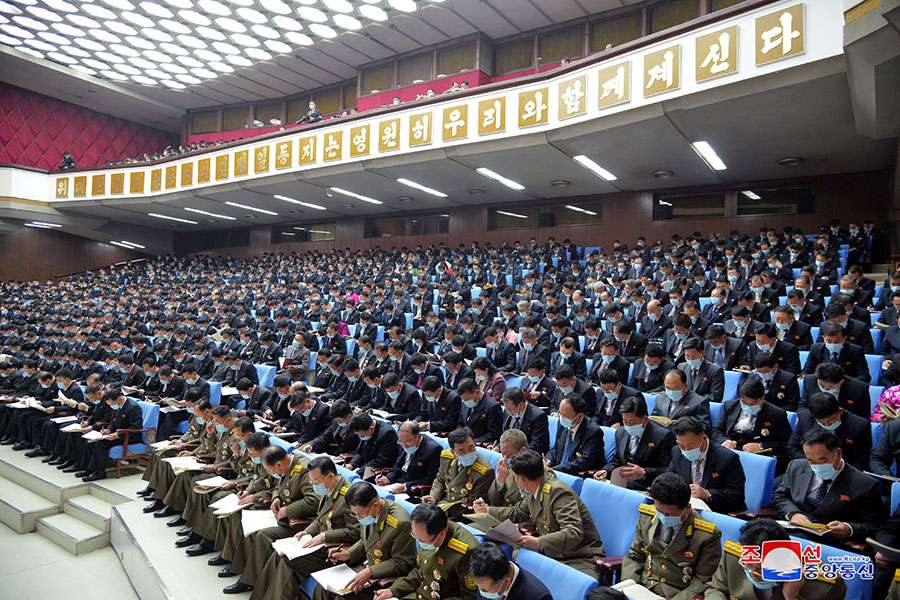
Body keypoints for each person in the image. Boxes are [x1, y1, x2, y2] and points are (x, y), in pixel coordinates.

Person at [473, 449, 604, 579]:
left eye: (514, 477)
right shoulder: (534, 490)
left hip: (580, 558)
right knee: (511, 561)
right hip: (553, 554)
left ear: (521, 479)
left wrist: (538, 542)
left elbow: (573, 532)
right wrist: (487, 510)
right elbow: (516, 512)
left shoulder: (558, 492)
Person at [249, 456, 359, 600]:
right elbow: (320, 519)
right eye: (312, 482)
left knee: (289, 561)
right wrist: (306, 531)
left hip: (335, 549)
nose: (314, 485)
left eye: (316, 482)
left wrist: (324, 536)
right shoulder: (329, 488)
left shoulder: (349, 497)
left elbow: (355, 532)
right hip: (319, 543)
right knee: (280, 555)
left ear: (331, 477)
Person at [222, 445, 319, 594]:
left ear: (278, 465)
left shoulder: (304, 470)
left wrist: (288, 510)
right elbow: (278, 486)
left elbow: (313, 500)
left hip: (299, 522)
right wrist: (276, 498)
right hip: (281, 515)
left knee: (264, 535)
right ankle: (239, 567)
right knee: (248, 522)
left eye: (269, 470)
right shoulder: (285, 466)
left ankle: (248, 581)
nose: (270, 474)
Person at [621, 472, 722, 598]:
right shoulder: (647, 516)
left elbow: (703, 580)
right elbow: (635, 555)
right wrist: (629, 588)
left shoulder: (706, 535)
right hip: (644, 585)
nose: (663, 516)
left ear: (687, 508)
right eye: (659, 511)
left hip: (677, 593)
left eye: (668, 514)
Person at [773, 429, 883, 545]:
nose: (817, 466)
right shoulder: (796, 466)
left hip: (832, 542)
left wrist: (849, 528)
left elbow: (874, 524)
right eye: (811, 461)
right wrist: (793, 513)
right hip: (793, 532)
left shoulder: (865, 484)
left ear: (838, 453)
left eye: (823, 460)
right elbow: (780, 496)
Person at [313, 481, 416, 600]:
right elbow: (365, 541)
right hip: (365, 567)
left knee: (340, 597)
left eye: (360, 515)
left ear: (375, 505)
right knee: (323, 586)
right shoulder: (368, 512)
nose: (358, 518)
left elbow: (402, 562)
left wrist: (370, 571)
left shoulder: (400, 523)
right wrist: (348, 553)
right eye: (355, 514)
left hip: (381, 577)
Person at [704, 518, 846, 600]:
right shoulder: (733, 555)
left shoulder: (826, 585)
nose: (753, 574)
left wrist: (791, 597)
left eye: (760, 569)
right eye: (748, 564)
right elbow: (716, 588)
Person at [374, 503, 479, 600]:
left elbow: (468, 597)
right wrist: (393, 590)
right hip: (418, 594)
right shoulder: (425, 531)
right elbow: (420, 572)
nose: (418, 542)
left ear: (441, 534)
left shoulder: (466, 552)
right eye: (414, 536)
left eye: (422, 540)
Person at [666, 417, 746, 514]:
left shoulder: (727, 458)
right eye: (681, 445)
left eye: (690, 446)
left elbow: (737, 497)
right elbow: (669, 480)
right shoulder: (677, 451)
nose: (685, 450)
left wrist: (708, 494)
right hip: (686, 509)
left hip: (716, 512)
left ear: (703, 438)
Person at [712, 378, 791, 469]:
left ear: (762, 398)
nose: (748, 406)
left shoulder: (777, 414)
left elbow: (787, 444)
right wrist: (724, 441)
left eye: (753, 403)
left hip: (757, 456)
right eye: (744, 402)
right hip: (730, 451)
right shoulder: (729, 406)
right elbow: (716, 430)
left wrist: (762, 446)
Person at [600, 395, 675, 491]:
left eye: (632, 422)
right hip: (623, 483)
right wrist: (605, 470)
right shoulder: (621, 432)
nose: (628, 426)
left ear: (645, 419)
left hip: (647, 485)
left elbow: (667, 470)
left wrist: (644, 472)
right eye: (625, 422)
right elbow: (617, 460)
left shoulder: (663, 436)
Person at [787, 391, 871, 470]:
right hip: (808, 468)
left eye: (831, 420)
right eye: (821, 422)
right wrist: (813, 463)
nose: (827, 425)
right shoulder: (805, 417)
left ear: (840, 411)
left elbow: (860, 461)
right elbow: (792, 447)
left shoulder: (859, 426)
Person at [422, 426, 494, 518]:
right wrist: (433, 497)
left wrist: (440, 509)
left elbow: (473, 501)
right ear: (453, 452)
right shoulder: (447, 457)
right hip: (442, 503)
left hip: (461, 512)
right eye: (461, 450)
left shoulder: (484, 470)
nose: (468, 452)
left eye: (471, 447)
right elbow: (440, 480)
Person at [80, 387, 143, 481]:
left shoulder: (133, 407)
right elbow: (113, 420)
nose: (111, 406)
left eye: (111, 403)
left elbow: (136, 427)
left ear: (120, 399)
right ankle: (91, 469)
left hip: (129, 436)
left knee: (101, 443)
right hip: (117, 432)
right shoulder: (117, 404)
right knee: (91, 442)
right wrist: (108, 429)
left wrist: (117, 435)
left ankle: (100, 472)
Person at [470, 541, 552, 600]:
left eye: (485, 590)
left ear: (506, 582)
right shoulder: (484, 574)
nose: (482, 592)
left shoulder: (538, 597)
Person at [376, 420, 442, 494]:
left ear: (417, 436)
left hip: (414, 489)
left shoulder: (433, 449)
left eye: (408, 442)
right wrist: (388, 478)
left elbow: (430, 478)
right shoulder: (402, 441)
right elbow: (398, 466)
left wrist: (406, 487)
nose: (405, 445)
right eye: (401, 441)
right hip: (397, 484)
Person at [545, 393, 604, 474]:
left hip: (576, 473)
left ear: (579, 416)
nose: (561, 417)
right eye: (560, 413)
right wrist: (549, 459)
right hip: (557, 469)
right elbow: (556, 448)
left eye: (565, 415)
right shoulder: (562, 422)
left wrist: (555, 469)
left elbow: (584, 461)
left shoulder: (593, 432)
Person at [652, 369, 712, 433]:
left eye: (675, 388)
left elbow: (705, 427)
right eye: (668, 388)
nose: (671, 391)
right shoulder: (660, 398)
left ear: (685, 386)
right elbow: (653, 418)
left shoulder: (699, 402)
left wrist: (682, 426)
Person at [498, 387, 549, 454]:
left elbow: (536, 444)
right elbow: (505, 434)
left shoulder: (538, 416)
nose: (508, 413)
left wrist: (517, 456)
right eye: (506, 409)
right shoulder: (508, 410)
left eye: (509, 410)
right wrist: (498, 447)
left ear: (520, 405)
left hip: (528, 455)